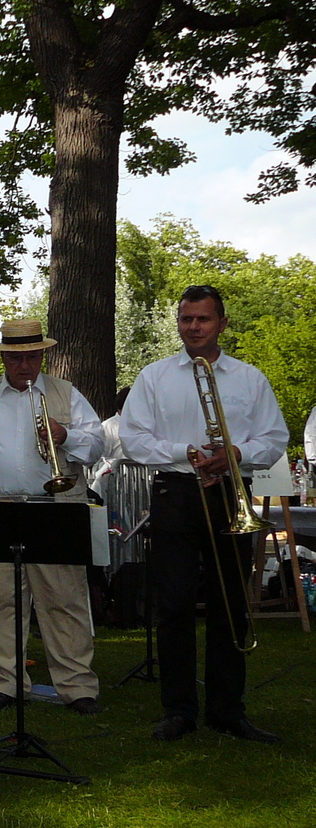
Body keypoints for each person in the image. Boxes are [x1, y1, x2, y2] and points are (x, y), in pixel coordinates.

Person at [119, 285, 288, 744]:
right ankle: (178, 710)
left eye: (203, 319)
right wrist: (187, 453)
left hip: (230, 491)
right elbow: (133, 438)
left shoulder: (250, 379)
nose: (193, 327)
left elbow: (275, 437)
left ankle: (228, 710)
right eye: (186, 319)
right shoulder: (154, 376)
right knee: (173, 604)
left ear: (222, 324)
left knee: (229, 603)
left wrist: (234, 453)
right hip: (175, 491)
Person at [0, 318, 104, 715]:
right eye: (16, 358)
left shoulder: (65, 393)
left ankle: (77, 687)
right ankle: (8, 684)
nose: (25, 365)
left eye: (32, 357)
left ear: (42, 355)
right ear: (4, 359)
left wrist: (65, 436)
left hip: (54, 510)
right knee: (0, 602)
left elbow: (97, 444)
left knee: (64, 600)